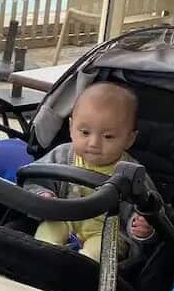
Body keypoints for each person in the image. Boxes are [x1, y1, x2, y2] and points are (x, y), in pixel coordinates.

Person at [24, 82, 155, 261]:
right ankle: (41, 265)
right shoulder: (62, 155)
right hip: (63, 219)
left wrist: (141, 225)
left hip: (107, 233)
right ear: (71, 128)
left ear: (129, 139)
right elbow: (34, 178)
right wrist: (42, 194)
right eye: (85, 132)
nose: (94, 143)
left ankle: (76, 275)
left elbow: (150, 206)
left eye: (108, 136)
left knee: (95, 255)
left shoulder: (132, 173)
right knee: (45, 238)